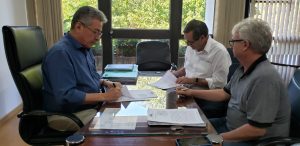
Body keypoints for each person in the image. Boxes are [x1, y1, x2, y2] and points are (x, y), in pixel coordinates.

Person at [176, 18, 290, 145]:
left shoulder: (265, 78)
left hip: (252, 140)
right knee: (183, 133)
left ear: (245, 45)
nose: (231, 45)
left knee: (191, 142)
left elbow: (257, 130)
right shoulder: (243, 68)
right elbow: (224, 93)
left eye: (233, 41)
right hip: (229, 125)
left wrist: (218, 137)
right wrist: (191, 92)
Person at [42, 6, 122, 131]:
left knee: (125, 118)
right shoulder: (60, 53)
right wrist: (106, 97)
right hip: (68, 114)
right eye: (95, 32)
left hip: (87, 107)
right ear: (79, 26)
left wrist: (106, 83)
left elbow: (91, 77)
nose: (97, 38)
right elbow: (66, 96)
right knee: (116, 128)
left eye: (99, 33)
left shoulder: (85, 47)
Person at [172, 19, 232, 118]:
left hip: (206, 97)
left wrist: (192, 81)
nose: (188, 45)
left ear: (202, 38)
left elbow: (219, 83)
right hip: (187, 92)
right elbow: (188, 67)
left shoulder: (219, 52)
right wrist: (175, 74)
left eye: (191, 42)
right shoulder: (190, 47)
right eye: (186, 41)